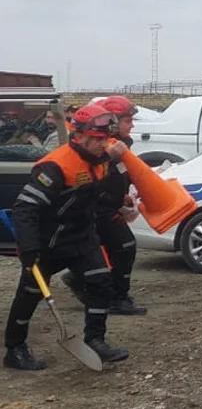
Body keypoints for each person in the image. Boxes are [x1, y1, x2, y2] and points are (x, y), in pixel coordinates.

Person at [4, 104, 130, 370]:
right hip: (48, 241)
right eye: (97, 139)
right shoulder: (55, 166)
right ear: (78, 135)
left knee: (101, 282)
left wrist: (120, 203)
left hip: (81, 236)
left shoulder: (101, 160)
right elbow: (25, 208)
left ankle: (95, 340)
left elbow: (98, 194)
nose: (102, 144)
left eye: (105, 139)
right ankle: (15, 349)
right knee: (30, 294)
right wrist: (27, 248)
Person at [62, 96, 146, 315]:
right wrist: (109, 156)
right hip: (98, 208)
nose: (133, 125)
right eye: (128, 121)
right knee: (124, 246)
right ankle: (116, 297)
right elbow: (91, 172)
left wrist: (124, 196)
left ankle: (83, 280)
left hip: (109, 205)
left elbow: (118, 176)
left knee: (111, 249)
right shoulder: (104, 148)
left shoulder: (120, 146)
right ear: (115, 122)